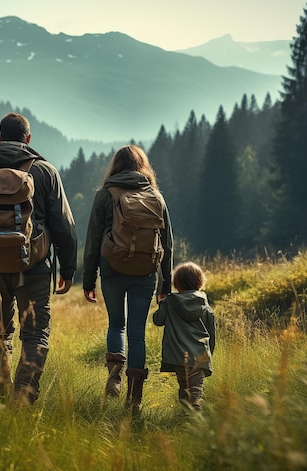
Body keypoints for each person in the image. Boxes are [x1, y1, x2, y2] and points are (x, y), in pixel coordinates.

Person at [0, 112, 77, 406]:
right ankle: (23, 396)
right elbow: (64, 226)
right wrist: (68, 270)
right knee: (35, 334)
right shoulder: (45, 172)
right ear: (28, 139)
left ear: (0, 138)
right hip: (34, 267)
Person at [83, 144, 173, 413]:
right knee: (137, 333)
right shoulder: (155, 196)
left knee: (116, 325)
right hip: (145, 272)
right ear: (143, 167)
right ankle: (135, 399)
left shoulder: (105, 195)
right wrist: (166, 282)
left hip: (112, 269)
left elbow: (93, 241)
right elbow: (167, 243)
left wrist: (88, 281)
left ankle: (114, 377)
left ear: (115, 167)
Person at [152, 261, 216, 411]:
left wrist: (161, 303)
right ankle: (193, 419)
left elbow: (157, 320)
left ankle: (189, 418)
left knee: (184, 390)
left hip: (179, 357)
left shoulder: (169, 302)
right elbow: (211, 334)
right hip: (200, 356)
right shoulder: (205, 305)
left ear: (176, 283)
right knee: (196, 391)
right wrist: (209, 354)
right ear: (199, 282)